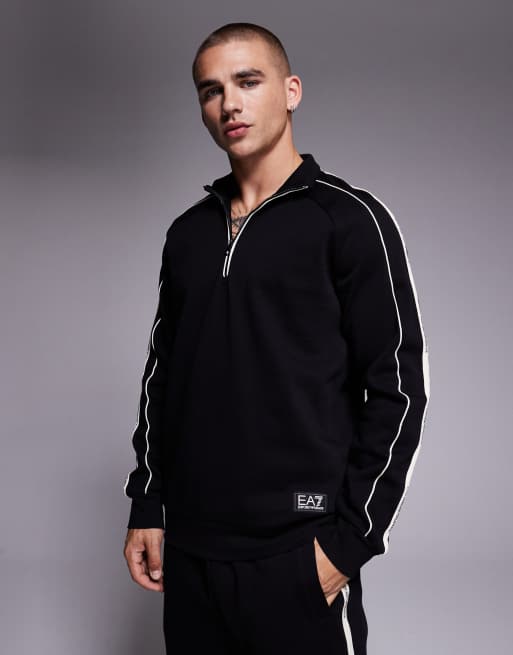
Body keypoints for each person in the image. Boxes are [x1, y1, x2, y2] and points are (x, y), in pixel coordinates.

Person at [122, 21, 430, 655]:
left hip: (298, 550)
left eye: (247, 81)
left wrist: (348, 544)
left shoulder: (349, 220)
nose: (228, 104)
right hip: (193, 552)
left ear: (291, 91)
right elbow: (162, 377)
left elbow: (399, 389)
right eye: (211, 90)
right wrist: (148, 504)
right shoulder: (188, 235)